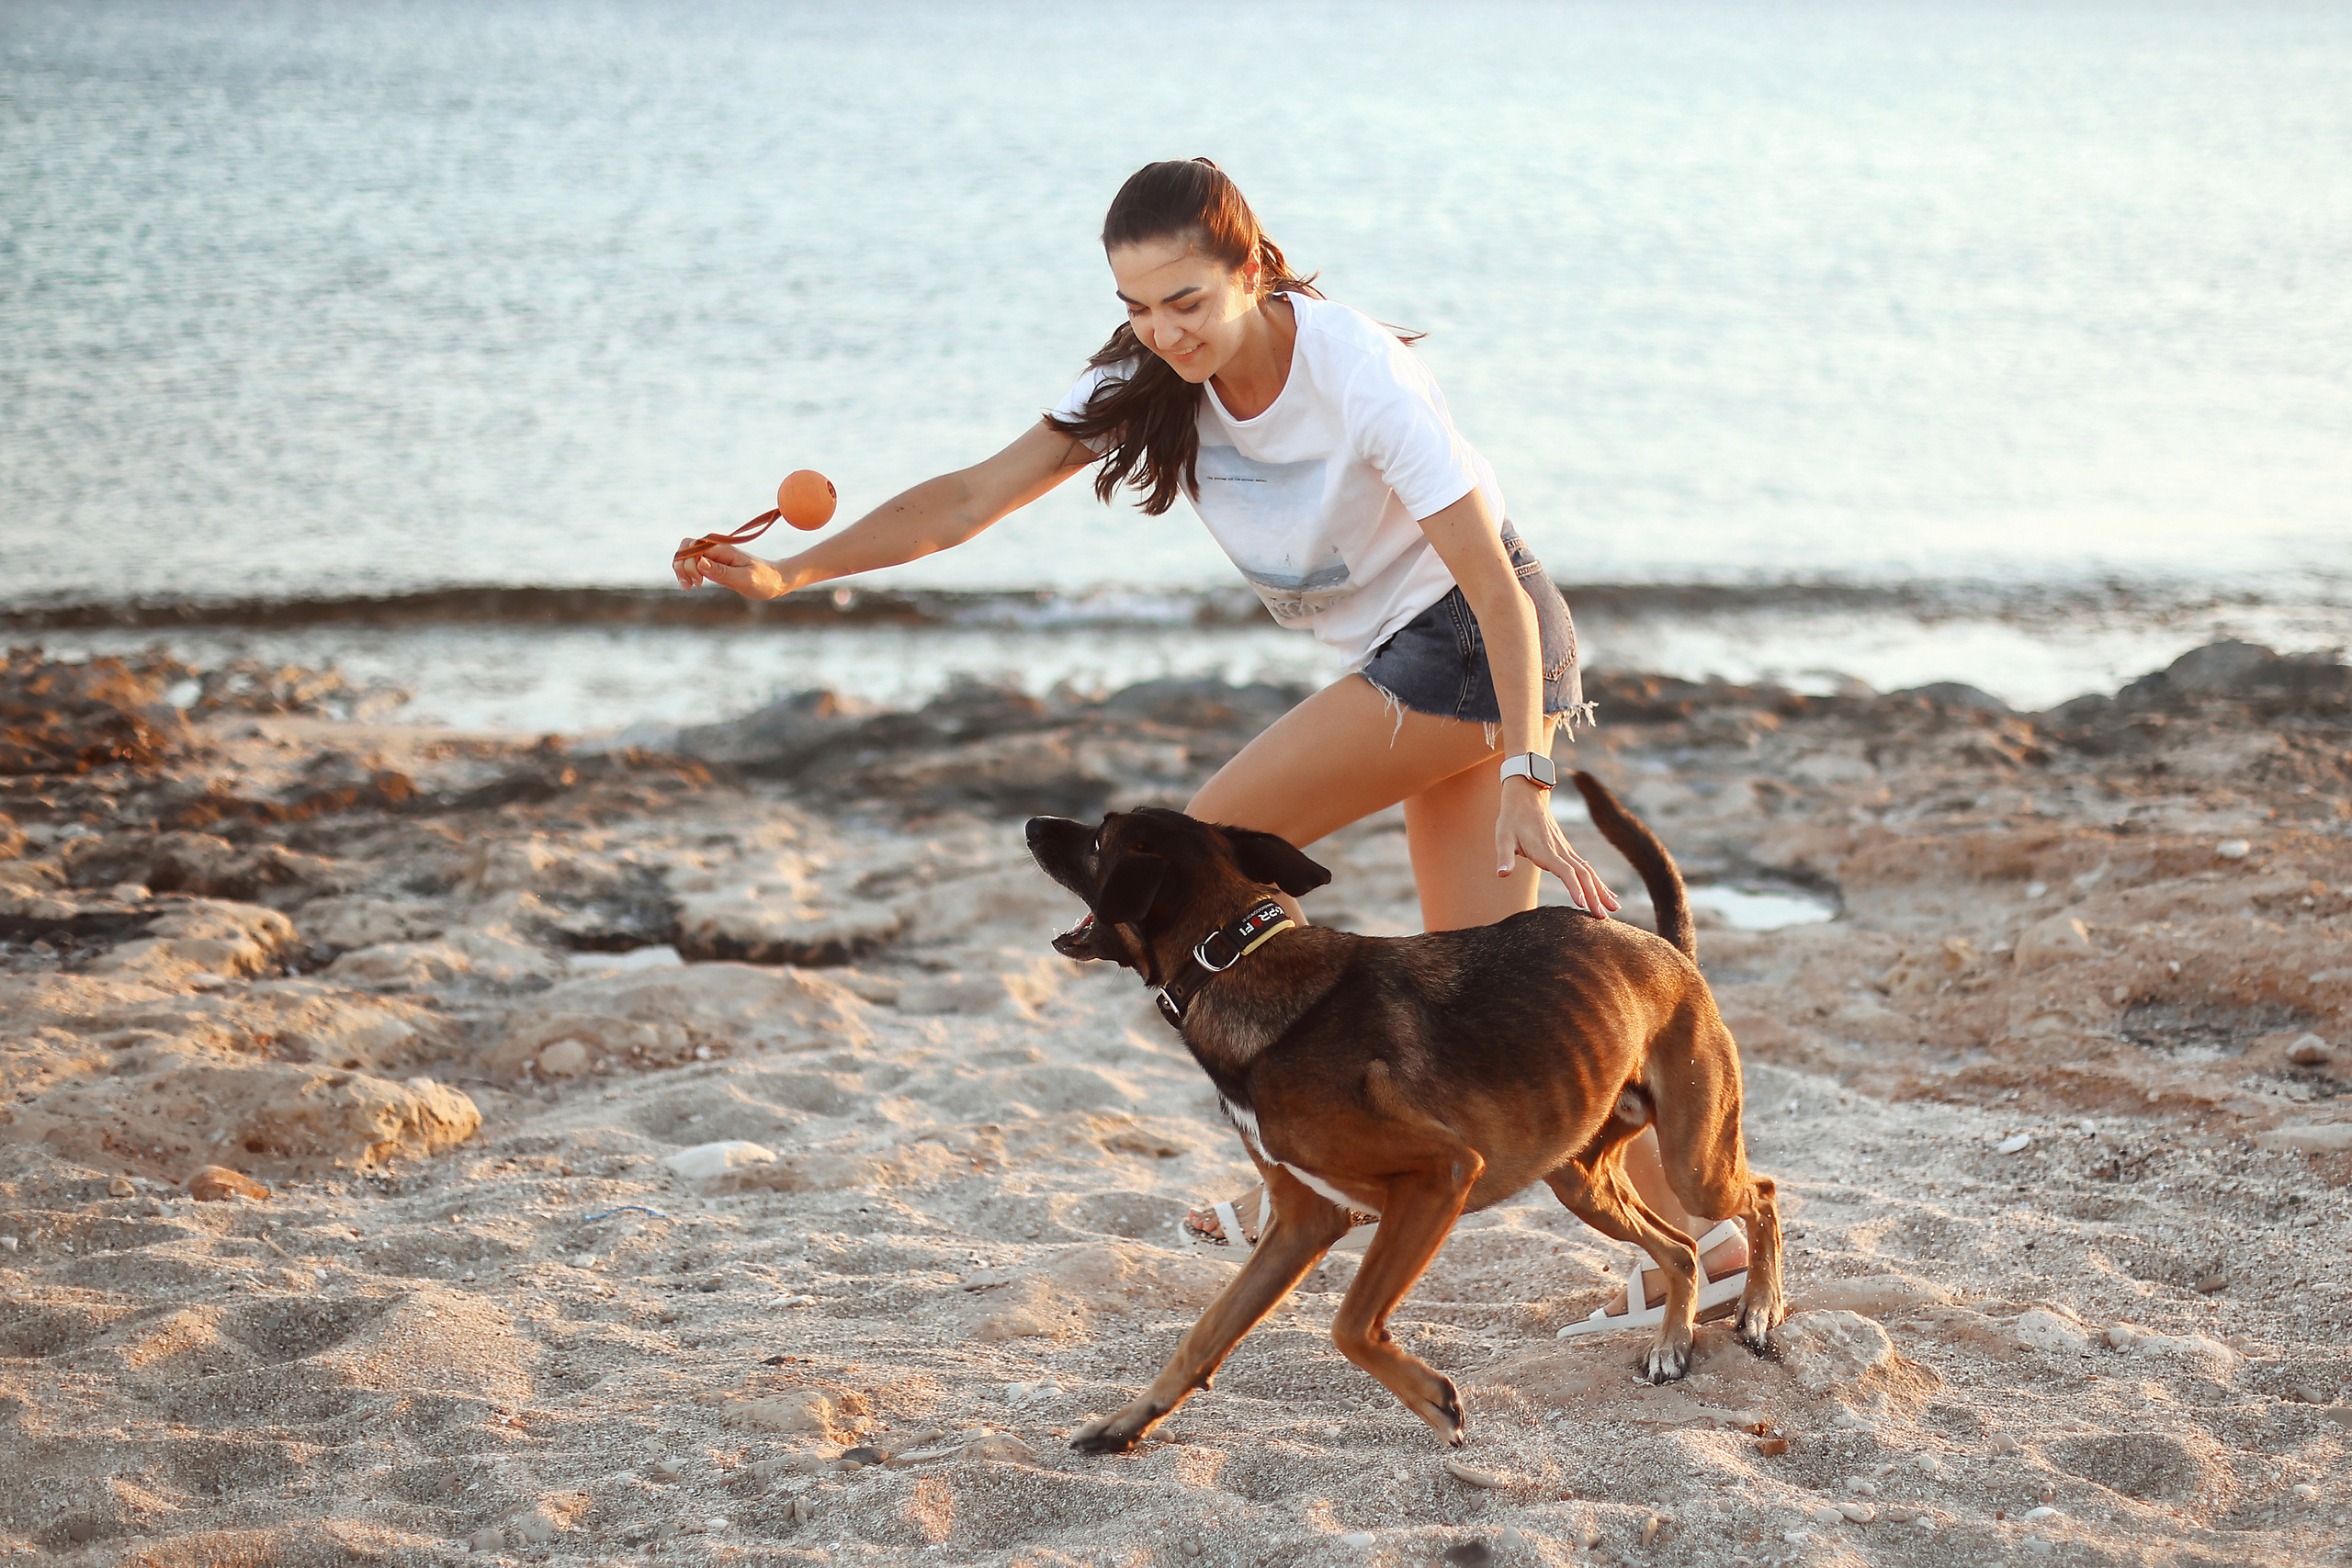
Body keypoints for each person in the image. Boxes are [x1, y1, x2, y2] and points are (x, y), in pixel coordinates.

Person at [673, 157, 1745, 1334]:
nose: (1163, 331)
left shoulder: (1361, 376)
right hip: (1416, 658)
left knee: (1194, 878)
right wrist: (789, 572)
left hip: (1477, 648)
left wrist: (1530, 780)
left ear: (1255, 266)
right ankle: (1713, 1245)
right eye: (1136, 306)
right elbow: (968, 497)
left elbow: (1494, 589)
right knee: (1504, 982)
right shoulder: (1148, 377)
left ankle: (1296, 1174)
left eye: (1186, 301)